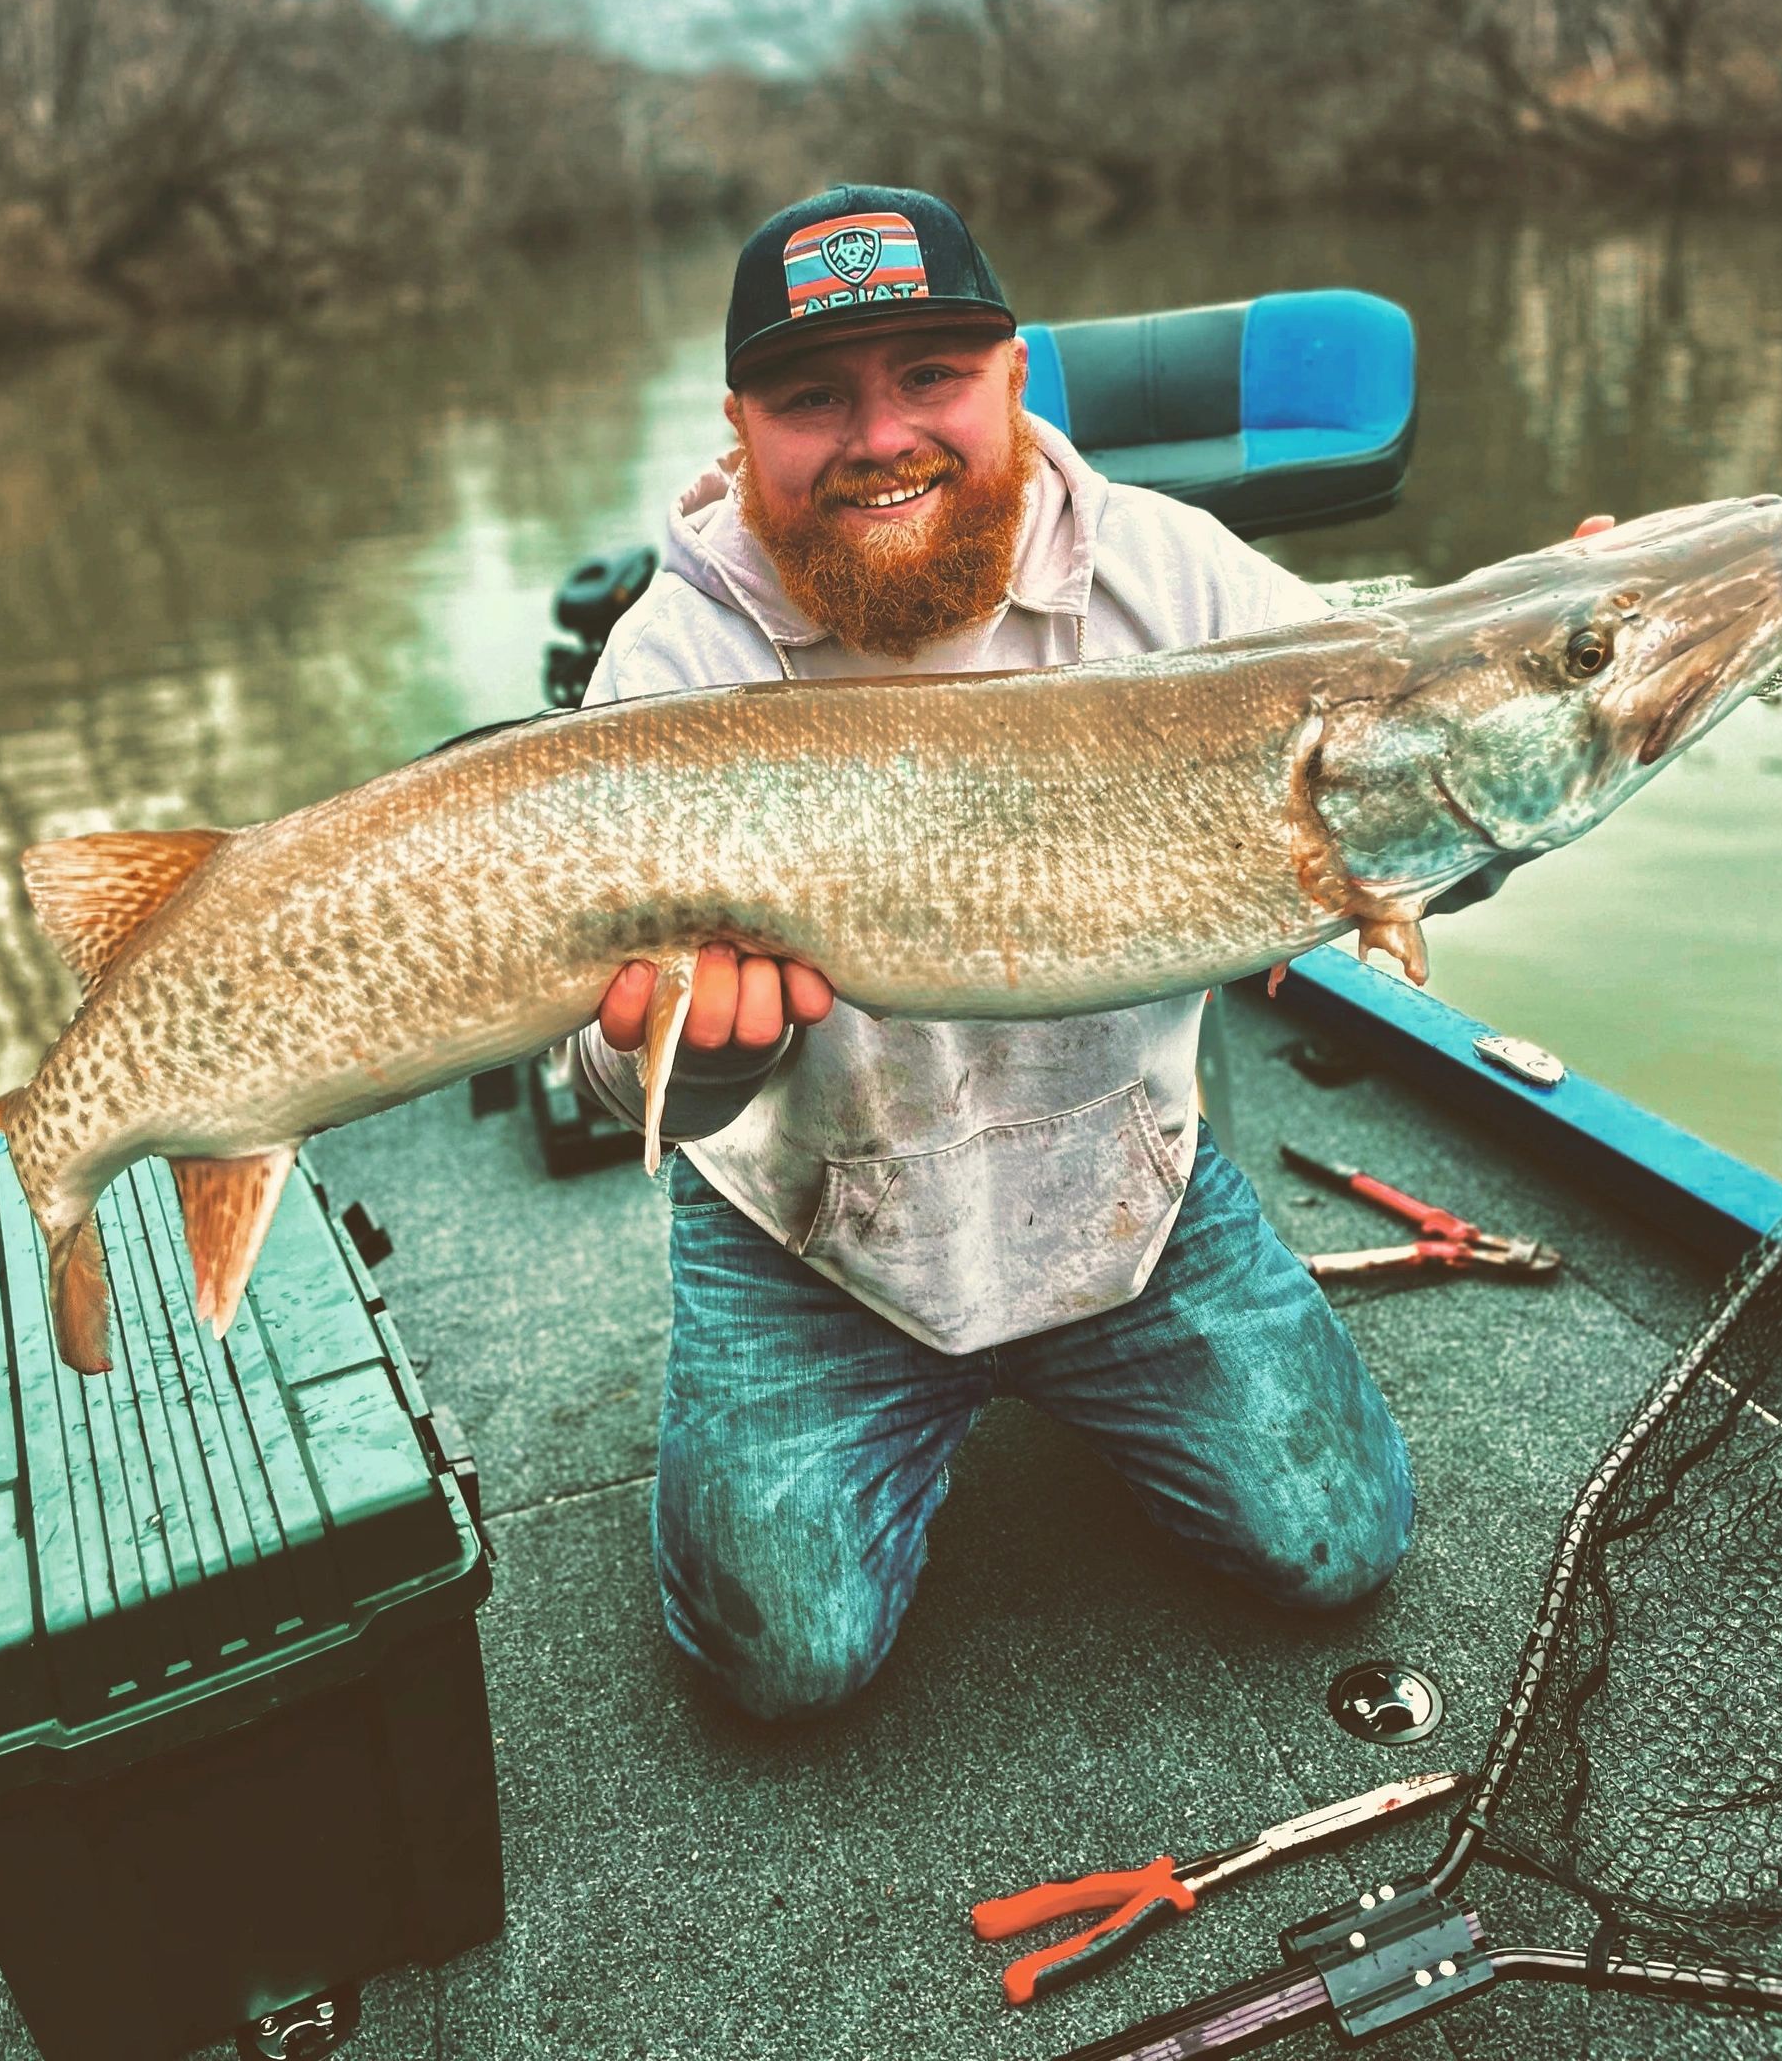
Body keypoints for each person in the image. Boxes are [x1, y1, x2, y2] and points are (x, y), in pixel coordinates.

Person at [573, 184, 1596, 1724]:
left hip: (1120, 1184)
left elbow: (1393, 804)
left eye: (930, 377)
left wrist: (1551, 680)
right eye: (812, 398)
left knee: (1334, 1544)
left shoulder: (1177, 575)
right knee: (777, 1665)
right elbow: (603, 1083)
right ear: (739, 426)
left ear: (1011, 379)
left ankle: (1087, 1358)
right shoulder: (670, 659)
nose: (878, 436)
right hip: (815, 1230)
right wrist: (693, 1052)